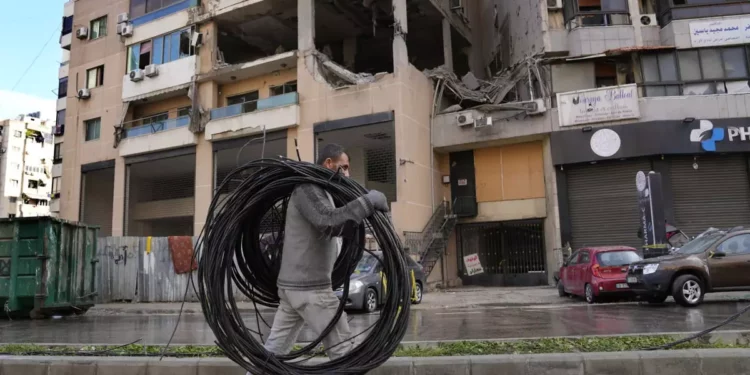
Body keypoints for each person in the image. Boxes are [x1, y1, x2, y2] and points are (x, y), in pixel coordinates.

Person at [260, 143, 389, 362]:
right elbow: (328, 221)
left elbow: (338, 223)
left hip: (297, 288)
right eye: (344, 167)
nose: (347, 173)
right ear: (329, 164)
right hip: (311, 289)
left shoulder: (323, 193)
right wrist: (369, 201)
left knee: (274, 351)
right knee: (343, 352)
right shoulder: (308, 189)